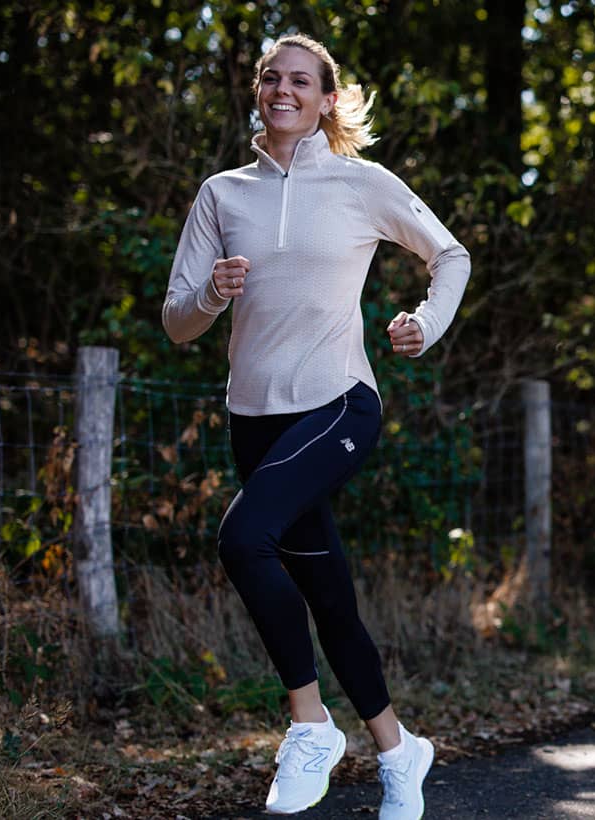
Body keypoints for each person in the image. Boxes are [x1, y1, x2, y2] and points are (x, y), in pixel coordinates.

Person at [163, 34, 470, 818]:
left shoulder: (360, 182)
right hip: (252, 419)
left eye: (302, 80)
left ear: (328, 100)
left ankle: (310, 724)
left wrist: (424, 325)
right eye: (272, 77)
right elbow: (176, 322)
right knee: (330, 597)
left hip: (337, 404)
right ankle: (402, 752)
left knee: (241, 540)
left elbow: (451, 256)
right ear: (258, 90)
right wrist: (212, 295)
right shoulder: (221, 194)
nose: (283, 89)